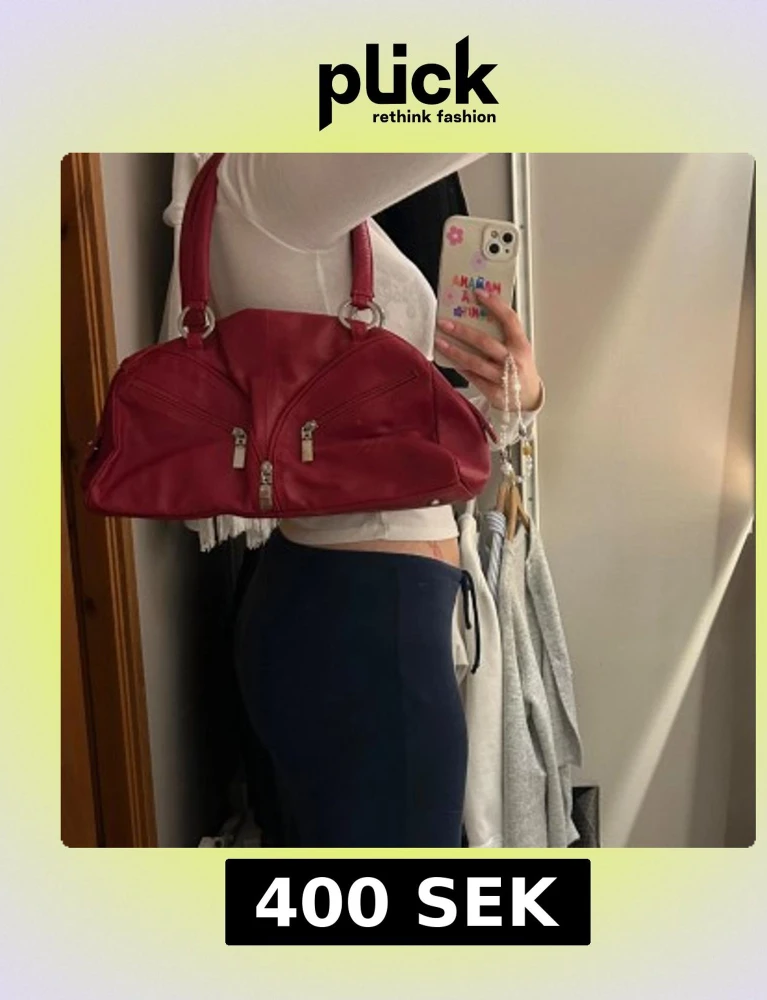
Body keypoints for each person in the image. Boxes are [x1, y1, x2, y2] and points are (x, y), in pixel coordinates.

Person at [214, 154, 545, 846]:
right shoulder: (270, 179)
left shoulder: (300, 206)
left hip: (361, 608)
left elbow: (398, 441)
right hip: (363, 625)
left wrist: (515, 398)